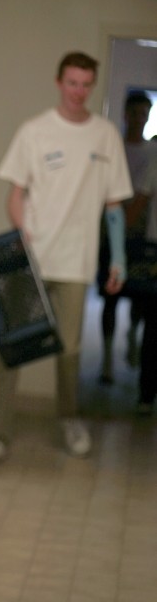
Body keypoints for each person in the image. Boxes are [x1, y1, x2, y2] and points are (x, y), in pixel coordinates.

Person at [0, 51, 132, 469]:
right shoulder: (35, 132)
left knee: (71, 350)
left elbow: (114, 205)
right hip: (33, 258)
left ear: (92, 86)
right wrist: (22, 234)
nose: (78, 91)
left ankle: (69, 419)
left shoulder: (105, 136)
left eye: (85, 84)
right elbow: (15, 195)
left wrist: (118, 259)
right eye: (72, 83)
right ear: (59, 82)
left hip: (77, 262)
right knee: (14, 347)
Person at [98, 89, 155, 383]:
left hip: (141, 237)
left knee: (140, 298)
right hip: (110, 233)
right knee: (110, 296)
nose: (138, 119)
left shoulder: (152, 153)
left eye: (144, 114)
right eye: (134, 113)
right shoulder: (113, 148)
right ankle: (107, 360)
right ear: (125, 114)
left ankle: (132, 336)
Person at [126, 145, 157, 414]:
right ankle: (147, 395)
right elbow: (139, 203)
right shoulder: (155, 159)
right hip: (155, 255)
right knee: (153, 329)